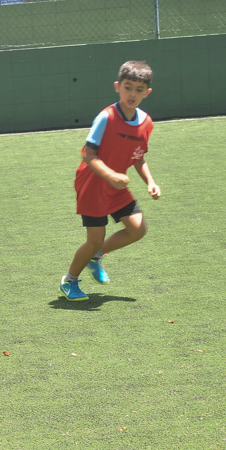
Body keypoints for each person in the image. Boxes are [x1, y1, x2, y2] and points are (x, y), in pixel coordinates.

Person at [59, 61, 161, 301]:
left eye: (138, 89)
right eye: (128, 87)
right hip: (93, 184)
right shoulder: (106, 117)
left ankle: (96, 258)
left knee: (137, 229)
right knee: (94, 240)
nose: (132, 94)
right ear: (117, 87)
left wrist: (150, 182)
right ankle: (69, 281)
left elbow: (138, 157)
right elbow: (88, 153)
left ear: (147, 92)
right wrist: (111, 175)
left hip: (117, 184)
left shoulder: (146, 122)